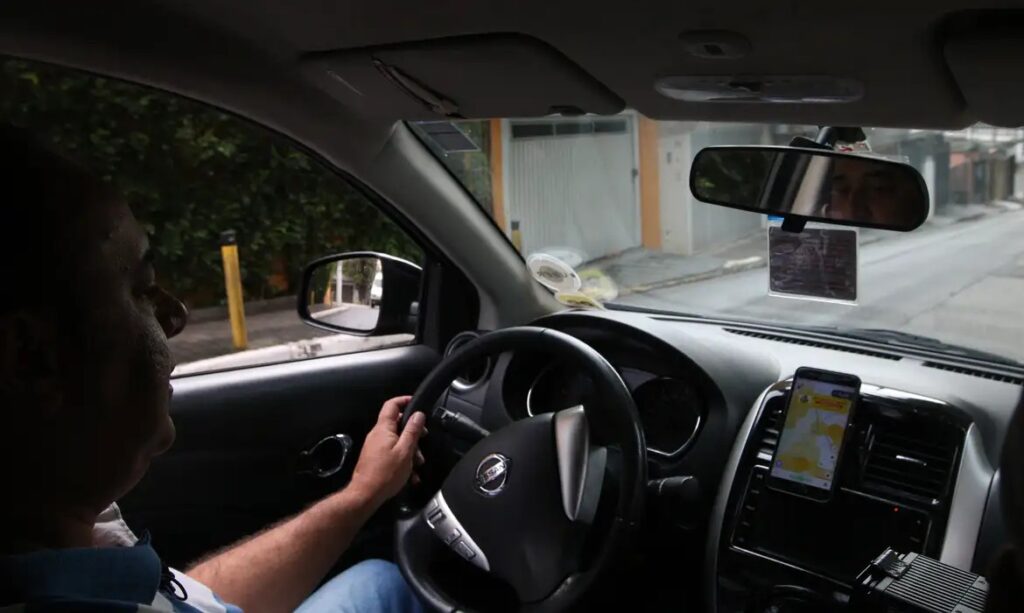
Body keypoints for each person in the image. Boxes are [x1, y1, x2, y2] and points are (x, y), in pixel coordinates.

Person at [0, 126, 428, 612]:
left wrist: (363, 494)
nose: (176, 316)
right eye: (142, 288)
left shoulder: (67, 528)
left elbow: (192, 596)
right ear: (30, 356)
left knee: (381, 580)